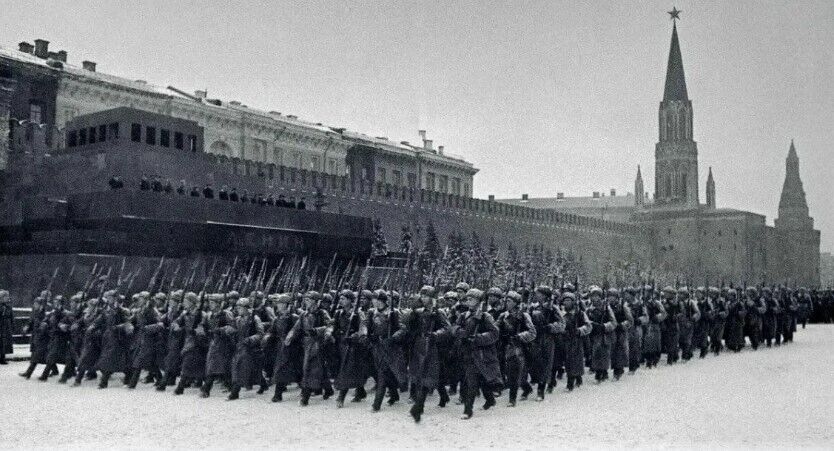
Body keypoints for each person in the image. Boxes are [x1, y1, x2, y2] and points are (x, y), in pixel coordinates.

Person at [406, 286, 452, 422]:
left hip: (433, 347)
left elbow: (447, 328)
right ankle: (444, 396)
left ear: (432, 298)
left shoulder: (438, 312)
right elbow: (411, 328)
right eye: (422, 296)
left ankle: (418, 407)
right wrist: (412, 317)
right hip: (419, 345)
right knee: (426, 375)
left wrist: (436, 334)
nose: (423, 298)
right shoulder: (419, 312)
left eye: (426, 296)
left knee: (427, 375)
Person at [455, 288, 501, 420]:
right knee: (480, 380)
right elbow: (454, 327)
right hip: (466, 352)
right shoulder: (463, 315)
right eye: (468, 298)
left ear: (479, 301)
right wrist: (460, 332)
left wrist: (478, 338)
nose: (469, 300)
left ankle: (468, 410)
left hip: (480, 354)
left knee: (472, 382)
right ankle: (490, 400)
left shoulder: (485, 316)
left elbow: (494, 333)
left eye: (472, 298)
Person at [497, 290, 535, 407]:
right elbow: (495, 328)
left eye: (509, 301)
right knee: (510, 373)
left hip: (519, 348)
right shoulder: (503, 316)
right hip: (505, 347)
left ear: (515, 302)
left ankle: (512, 399)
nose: (506, 303)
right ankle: (527, 388)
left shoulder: (523, 315)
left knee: (515, 373)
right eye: (506, 301)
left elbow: (532, 332)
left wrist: (519, 336)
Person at [0, 290, 14, 364]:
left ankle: (3, 357)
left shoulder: (8, 306)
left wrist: (12, 325)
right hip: (1, 325)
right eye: (5, 296)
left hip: (7, 326)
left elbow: (11, 316)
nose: (7, 298)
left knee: (5, 342)